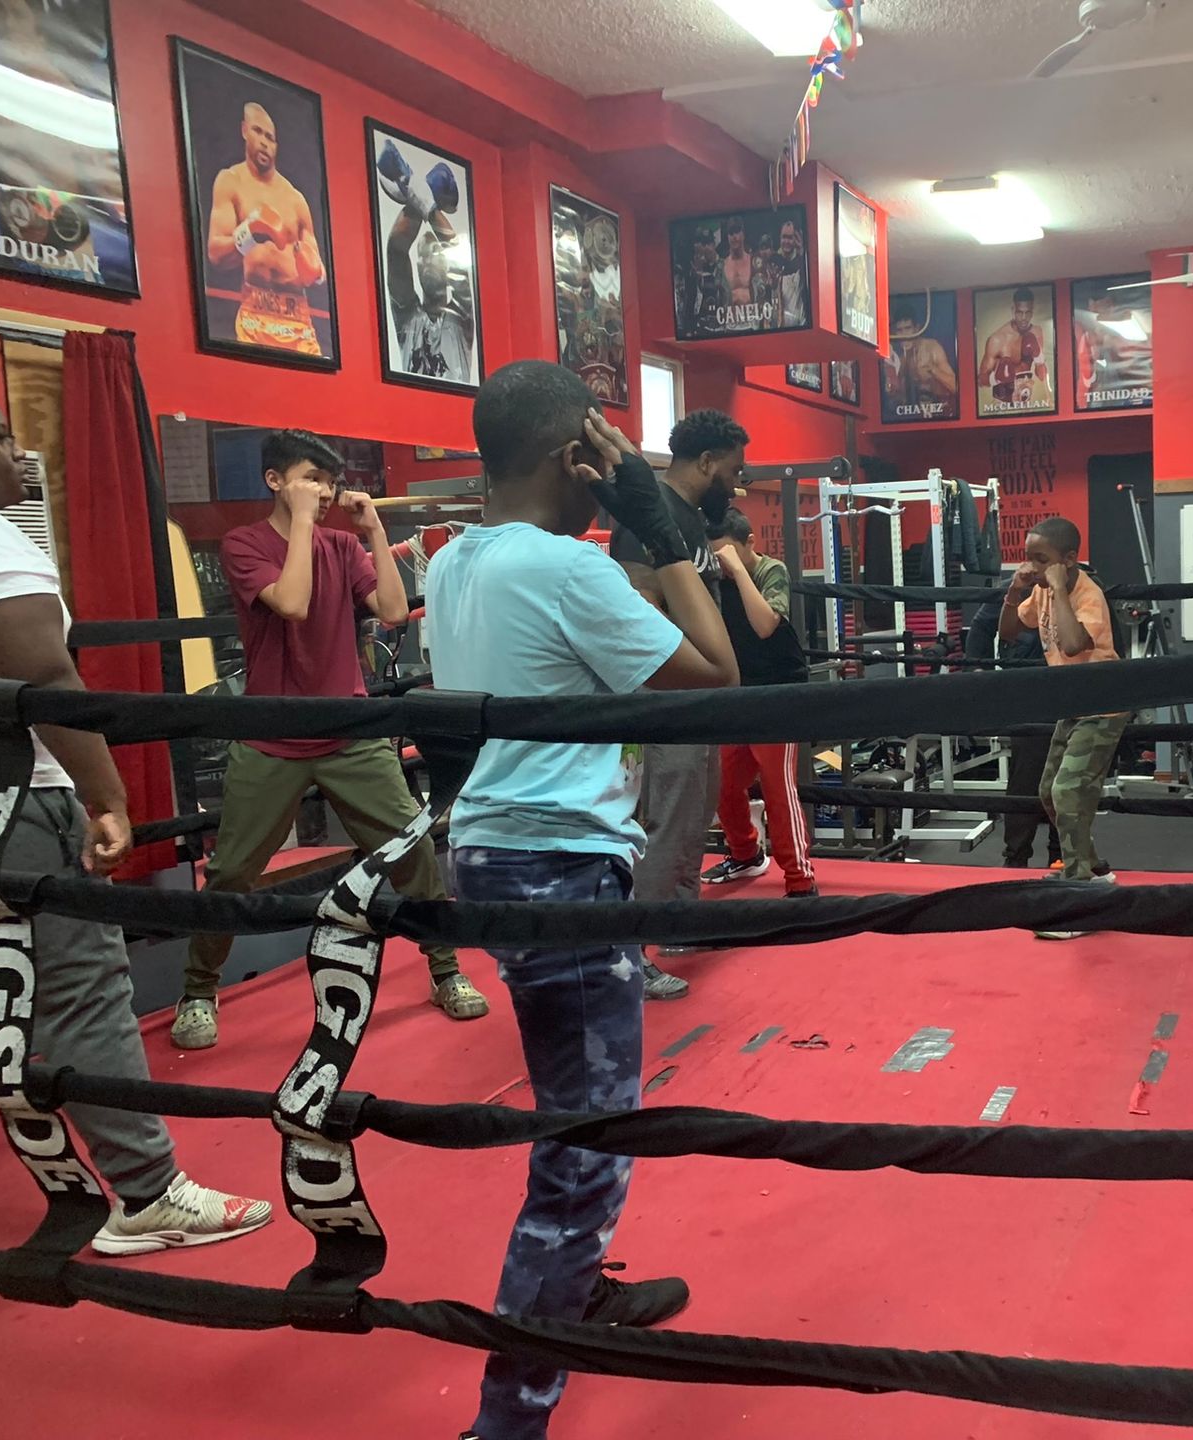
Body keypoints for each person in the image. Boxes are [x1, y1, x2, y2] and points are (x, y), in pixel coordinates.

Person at [426, 361, 737, 1440]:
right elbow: (717, 675)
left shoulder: (454, 561)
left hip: (491, 852)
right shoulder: (567, 569)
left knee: (573, 1112)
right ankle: (506, 1424)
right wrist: (662, 530)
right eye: (605, 448)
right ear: (578, 459)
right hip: (560, 869)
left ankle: (581, 1293)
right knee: (588, 1152)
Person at [0, 379, 272, 1253]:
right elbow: (47, 684)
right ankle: (147, 1194)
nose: (18, 455)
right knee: (80, 991)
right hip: (13, 802)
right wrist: (110, 796)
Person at [174, 430, 486, 1050]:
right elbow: (291, 602)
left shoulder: (343, 545)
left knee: (413, 852)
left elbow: (395, 612)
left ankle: (446, 971)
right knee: (233, 869)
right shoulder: (244, 544)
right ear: (275, 481)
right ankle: (198, 993)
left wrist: (370, 531)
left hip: (349, 732)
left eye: (328, 480)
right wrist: (301, 525)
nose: (323, 490)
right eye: (310, 478)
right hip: (271, 736)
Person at [610, 409, 746, 999]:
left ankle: (680, 922)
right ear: (707, 461)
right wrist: (690, 666)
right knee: (666, 817)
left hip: (699, 692)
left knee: (692, 811)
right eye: (732, 472)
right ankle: (630, 952)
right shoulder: (650, 511)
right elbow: (637, 601)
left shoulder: (689, 517)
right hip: (666, 691)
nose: (736, 487)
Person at [999, 517, 1123, 939]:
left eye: (1042, 559)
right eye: (1028, 558)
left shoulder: (1088, 594)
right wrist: (1017, 588)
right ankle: (1092, 869)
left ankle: (1078, 896)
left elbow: (1072, 644)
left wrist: (1057, 587)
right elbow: (1009, 632)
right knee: (1047, 790)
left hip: (1103, 705)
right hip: (1072, 705)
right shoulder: (1038, 590)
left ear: (1069, 560)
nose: (1032, 566)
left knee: (1067, 791)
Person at [700, 508, 816, 897]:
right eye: (717, 556)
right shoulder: (712, 577)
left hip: (778, 696)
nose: (723, 564)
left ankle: (800, 878)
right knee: (722, 783)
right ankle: (746, 854)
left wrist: (739, 570)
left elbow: (765, 625)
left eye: (729, 554)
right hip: (738, 695)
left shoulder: (770, 571)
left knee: (777, 786)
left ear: (750, 543)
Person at [202, 101, 327, 355]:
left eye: (270, 137)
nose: (264, 142)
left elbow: (317, 269)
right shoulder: (231, 182)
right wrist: (250, 232)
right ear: (244, 130)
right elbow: (215, 253)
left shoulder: (295, 199)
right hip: (254, 314)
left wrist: (313, 271)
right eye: (258, 132)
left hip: (297, 319)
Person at [966, 594, 1061, 869]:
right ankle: (1017, 856)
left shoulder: (1084, 586)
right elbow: (984, 624)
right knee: (1028, 775)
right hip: (1028, 689)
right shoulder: (1019, 588)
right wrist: (977, 667)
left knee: (1068, 777)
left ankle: (1062, 854)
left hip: (1072, 684)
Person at [375, 138, 473, 385]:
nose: (429, 261)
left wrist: (423, 203)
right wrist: (418, 198)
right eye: (424, 257)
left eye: (435, 255)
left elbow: (457, 254)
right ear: (417, 267)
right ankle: (432, 185)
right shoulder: (408, 317)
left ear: (447, 264)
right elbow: (396, 251)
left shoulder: (461, 317)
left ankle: (422, 186)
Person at [884, 298, 959, 418]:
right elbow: (898, 400)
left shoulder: (932, 348)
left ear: (916, 329)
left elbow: (956, 387)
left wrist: (932, 370)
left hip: (944, 410)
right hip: (920, 415)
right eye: (899, 330)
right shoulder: (901, 361)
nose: (904, 334)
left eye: (908, 328)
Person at [979, 288, 1051, 411]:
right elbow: (980, 380)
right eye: (1019, 312)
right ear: (1013, 310)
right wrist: (995, 378)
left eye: (1028, 312)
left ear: (1032, 312)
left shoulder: (1037, 332)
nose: (1024, 318)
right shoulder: (997, 339)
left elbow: (1041, 376)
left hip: (1026, 403)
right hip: (1002, 407)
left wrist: (1039, 358)